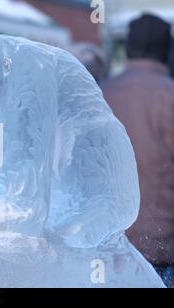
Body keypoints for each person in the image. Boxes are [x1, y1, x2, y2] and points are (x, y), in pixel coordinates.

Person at [101, 14, 174, 288]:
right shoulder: (170, 98)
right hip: (160, 255)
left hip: (107, 251)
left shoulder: (100, 94)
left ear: (128, 48)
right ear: (166, 49)